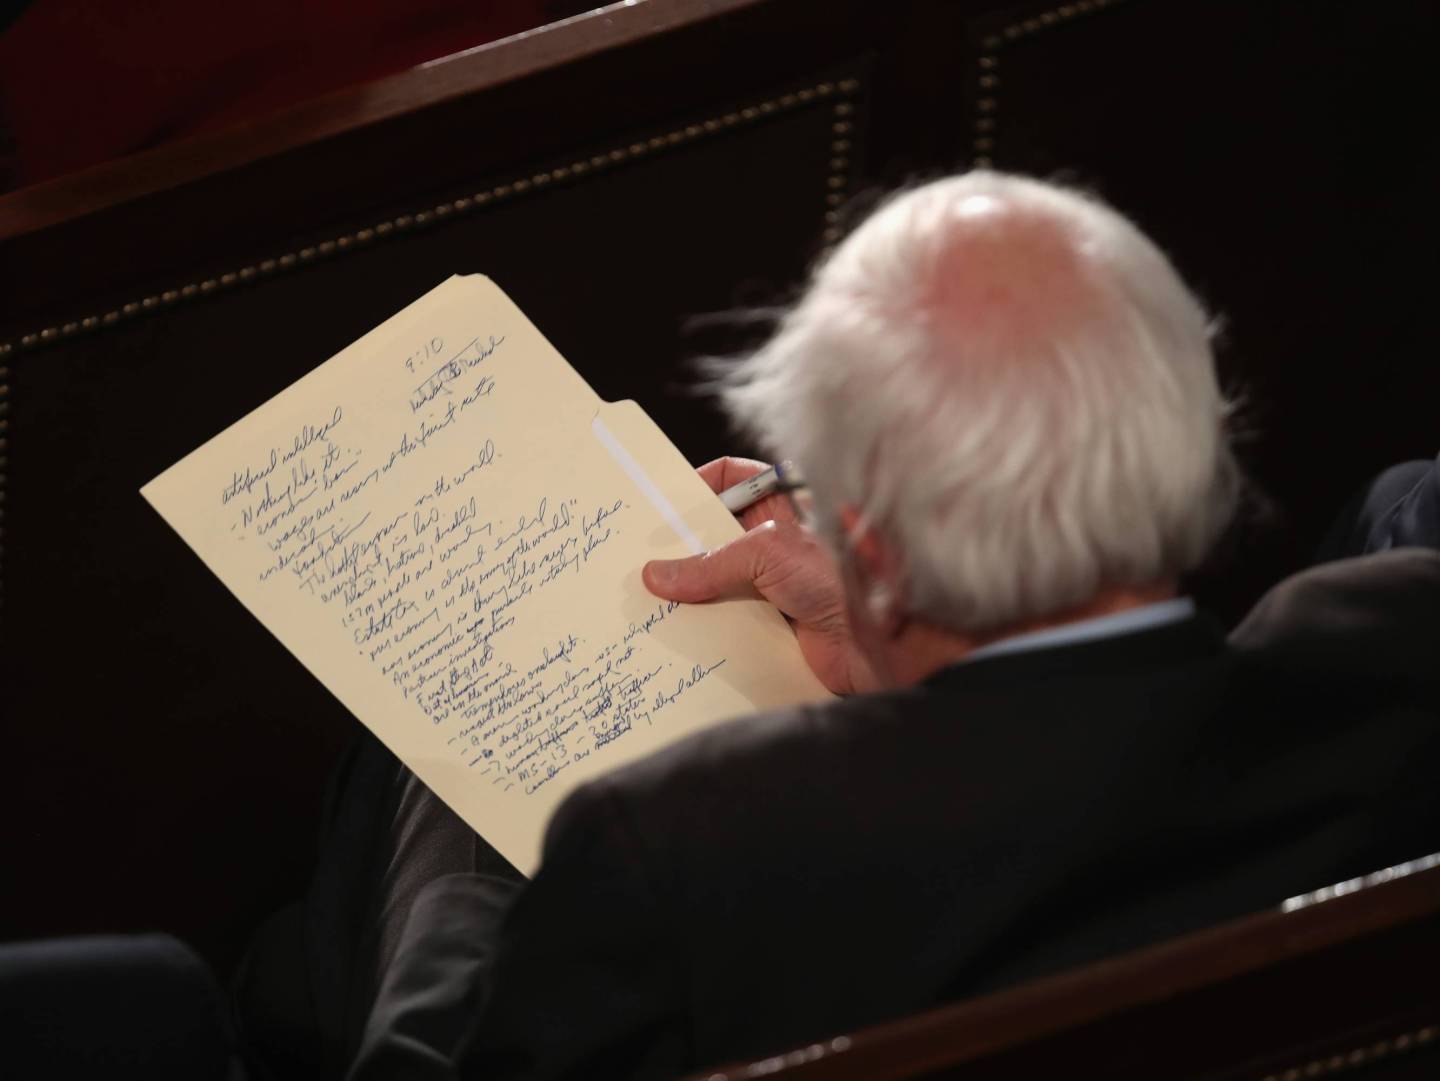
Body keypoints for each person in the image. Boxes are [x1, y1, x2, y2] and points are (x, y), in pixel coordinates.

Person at [233, 172, 1440, 1081]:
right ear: (1200, 446)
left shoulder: (674, 849)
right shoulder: (1394, 652)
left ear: (863, 542)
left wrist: (484, 812)